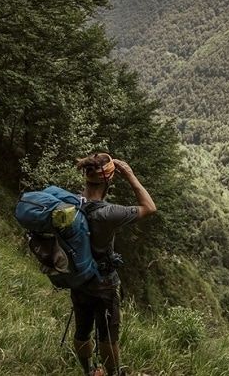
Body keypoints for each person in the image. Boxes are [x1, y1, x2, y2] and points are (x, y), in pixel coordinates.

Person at [72, 153, 156, 376]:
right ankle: (113, 374)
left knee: (82, 331)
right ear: (108, 179)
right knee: (108, 335)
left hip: (79, 278)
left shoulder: (71, 203)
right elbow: (149, 207)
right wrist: (130, 175)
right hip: (104, 283)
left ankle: (88, 370)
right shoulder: (109, 213)